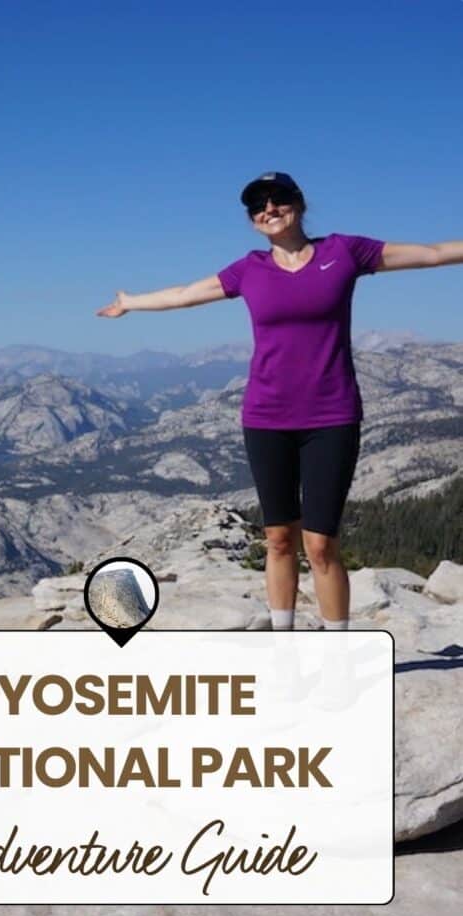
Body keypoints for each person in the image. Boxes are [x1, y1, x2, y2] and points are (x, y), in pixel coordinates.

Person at [96, 171, 463, 630]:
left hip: (332, 416)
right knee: (278, 539)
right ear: (252, 220)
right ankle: (283, 644)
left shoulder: (344, 252)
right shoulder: (249, 269)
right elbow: (186, 295)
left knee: (321, 544)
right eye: (257, 206)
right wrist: (131, 302)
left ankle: (337, 652)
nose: (268, 209)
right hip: (266, 417)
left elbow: (429, 255)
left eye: (278, 199)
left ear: (299, 204)